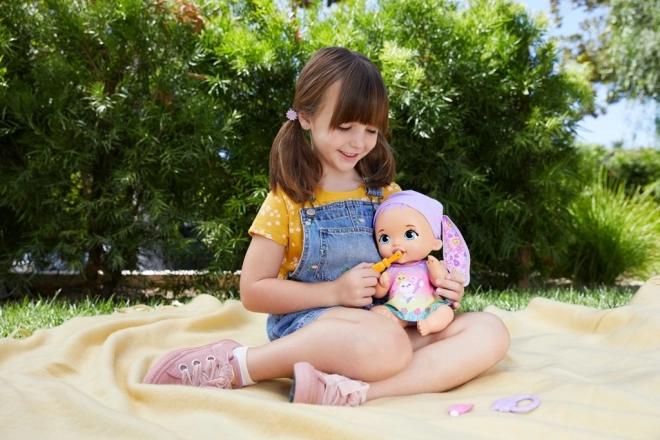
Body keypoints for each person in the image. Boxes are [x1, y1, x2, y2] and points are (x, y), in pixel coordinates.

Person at [143, 47, 510, 406]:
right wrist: (335, 292)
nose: (358, 142)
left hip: (389, 325)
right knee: (386, 343)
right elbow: (253, 291)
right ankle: (241, 364)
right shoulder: (287, 201)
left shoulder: (388, 196)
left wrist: (439, 291)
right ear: (306, 117)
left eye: (370, 130)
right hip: (318, 328)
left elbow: (411, 261)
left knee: (488, 330)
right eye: (345, 126)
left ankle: (346, 392)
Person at [371, 190, 471, 336]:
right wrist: (383, 284)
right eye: (385, 238)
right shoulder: (390, 269)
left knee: (446, 311)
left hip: (429, 307)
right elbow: (379, 294)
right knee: (377, 311)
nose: (396, 243)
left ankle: (430, 324)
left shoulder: (427, 265)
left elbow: (439, 281)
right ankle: (397, 321)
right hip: (398, 309)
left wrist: (435, 269)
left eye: (409, 235)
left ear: (435, 243)